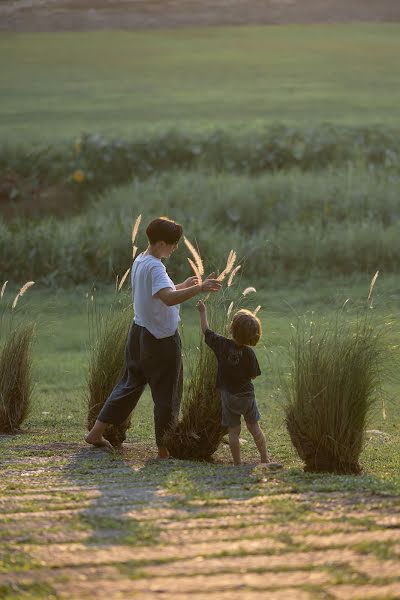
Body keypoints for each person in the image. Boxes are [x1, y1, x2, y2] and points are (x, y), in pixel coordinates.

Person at [86, 217, 222, 458]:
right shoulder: (156, 266)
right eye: (173, 243)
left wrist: (182, 285)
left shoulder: (142, 260)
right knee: (167, 395)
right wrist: (199, 289)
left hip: (138, 334)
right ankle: (163, 449)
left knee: (128, 386)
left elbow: (159, 293)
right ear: (160, 243)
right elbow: (168, 298)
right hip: (160, 339)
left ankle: (96, 432)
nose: (176, 247)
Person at [196, 300, 281, 467]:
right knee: (254, 428)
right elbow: (253, 375)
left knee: (234, 431)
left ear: (232, 329)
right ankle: (265, 459)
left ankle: (237, 463)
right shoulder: (249, 353)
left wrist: (202, 311)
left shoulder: (221, 345)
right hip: (247, 396)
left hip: (228, 397)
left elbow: (206, 331)